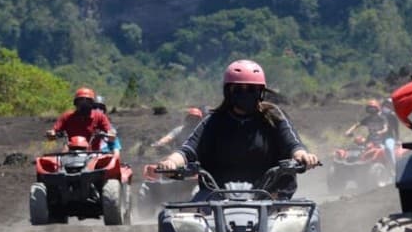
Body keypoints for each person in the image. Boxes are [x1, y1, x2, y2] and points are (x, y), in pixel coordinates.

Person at [156, 59, 318, 199]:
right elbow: (187, 150)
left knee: (302, 224)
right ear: (228, 91)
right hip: (217, 198)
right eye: (239, 89)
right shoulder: (214, 121)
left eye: (252, 89)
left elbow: (293, 145)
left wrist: (303, 156)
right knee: (180, 226)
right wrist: (171, 162)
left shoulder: (274, 117)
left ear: (261, 92)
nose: (245, 93)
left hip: (272, 196)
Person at [47, 87, 115, 151]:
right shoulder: (67, 116)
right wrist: (52, 133)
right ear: (76, 103)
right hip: (71, 151)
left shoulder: (99, 116)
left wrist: (111, 133)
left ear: (92, 104)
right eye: (81, 101)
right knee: (54, 162)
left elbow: (109, 130)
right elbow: (54, 131)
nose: (84, 104)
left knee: (108, 161)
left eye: (87, 102)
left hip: (94, 153)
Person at [344, 99, 396, 168]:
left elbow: (385, 128)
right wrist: (349, 131)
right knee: (358, 147)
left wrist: (381, 131)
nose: (371, 110)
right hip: (371, 139)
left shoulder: (382, 118)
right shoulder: (367, 119)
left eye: (373, 108)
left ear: (377, 108)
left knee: (388, 150)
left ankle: (393, 167)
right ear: (367, 109)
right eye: (370, 108)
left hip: (382, 140)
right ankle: (355, 165)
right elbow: (357, 125)